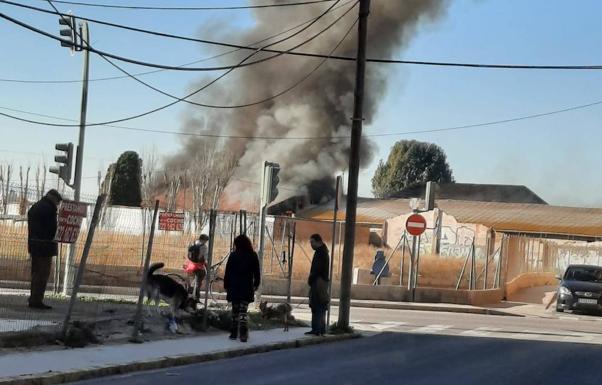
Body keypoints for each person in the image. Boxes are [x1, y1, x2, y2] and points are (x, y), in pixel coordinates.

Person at [27, 189, 62, 309]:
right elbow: (52, 229)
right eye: (57, 202)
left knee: (36, 273)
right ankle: (37, 300)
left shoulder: (35, 206)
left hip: (34, 244)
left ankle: (33, 298)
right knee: (42, 274)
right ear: (54, 198)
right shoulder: (49, 209)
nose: (57, 204)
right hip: (45, 246)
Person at [223, 234, 260, 342]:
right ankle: (243, 333)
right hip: (246, 287)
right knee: (243, 311)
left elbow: (228, 272)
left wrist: (226, 285)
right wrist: (256, 284)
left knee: (235, 310)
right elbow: (256, 272)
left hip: (234, 287)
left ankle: (233, 333)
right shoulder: (253, 255)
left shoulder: (233, 255)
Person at [306, 233, 330, 336]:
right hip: (320, 281)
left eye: (312, 242)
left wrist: (311, 279)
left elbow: (317, 269)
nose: (311, 244)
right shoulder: (322, 251)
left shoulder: (321, 253)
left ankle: (317, 329)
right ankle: (319, 328)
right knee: (319, 305)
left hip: (318, 282)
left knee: (317, 305)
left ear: (318, 241)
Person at [186, 234, 209, 301]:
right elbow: (204, 258)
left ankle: (190, 294)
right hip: (198, 266)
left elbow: (188, 253)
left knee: (193, 281)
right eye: (206, 240)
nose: (206, 242)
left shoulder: (193, 243)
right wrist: (207, 265)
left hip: (191, 265)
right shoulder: (204, 247)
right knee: (198, 282)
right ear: (204, 240)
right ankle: (196, 297)